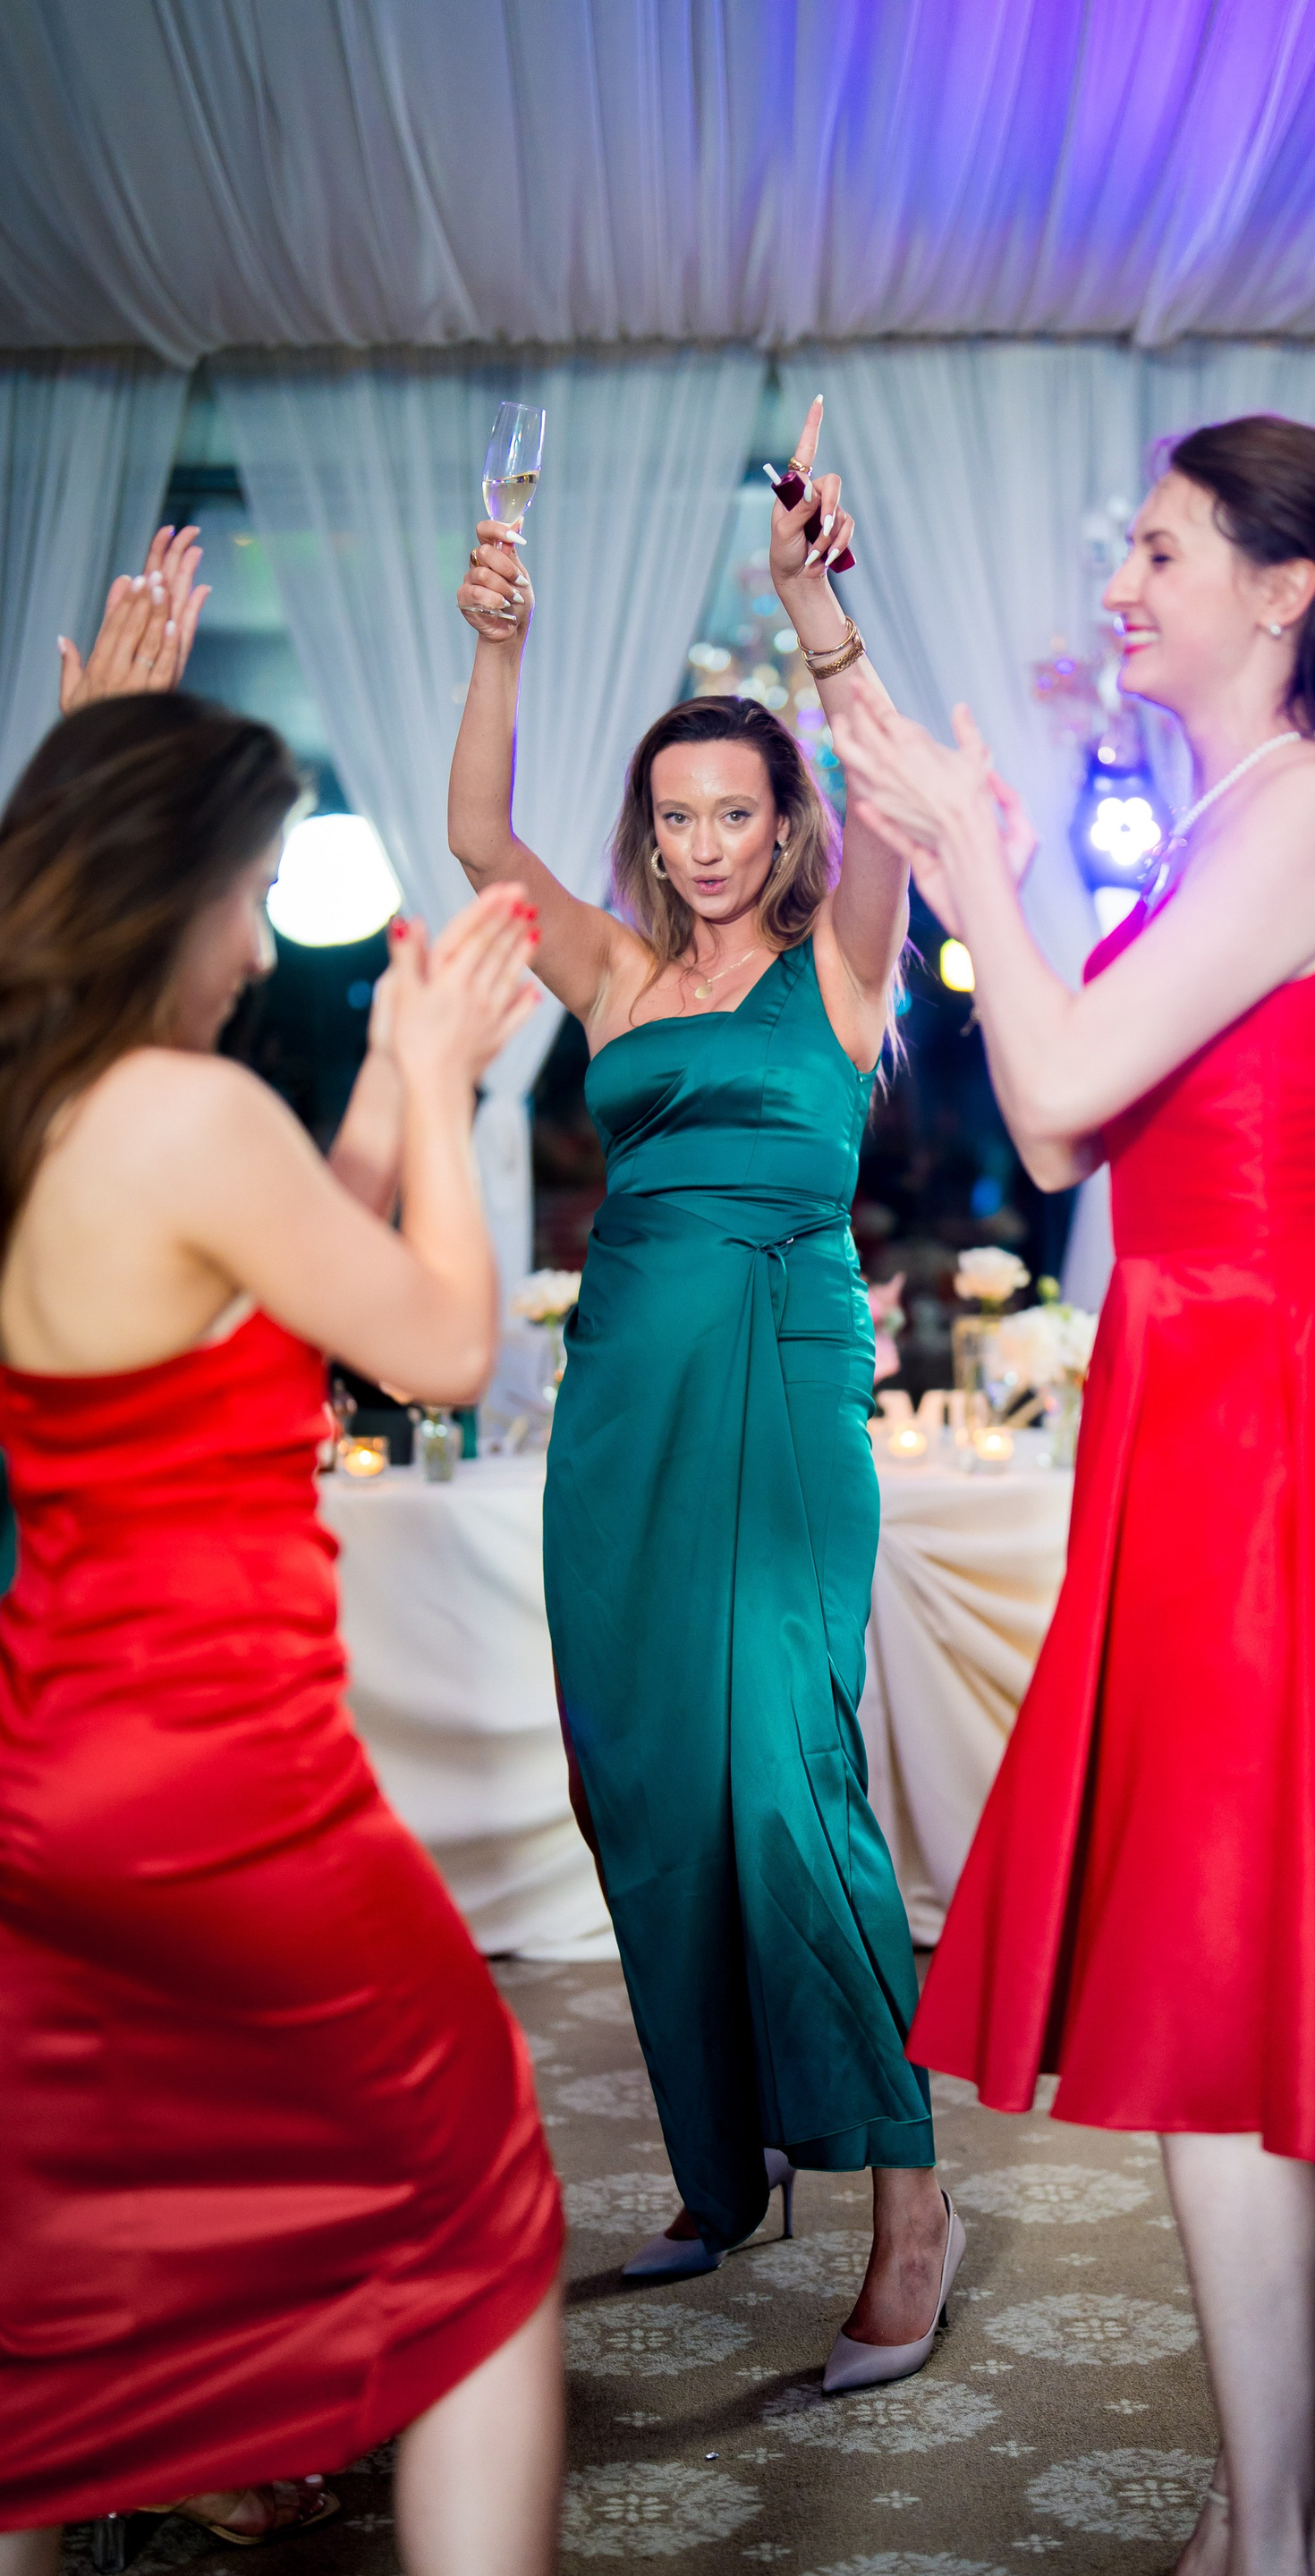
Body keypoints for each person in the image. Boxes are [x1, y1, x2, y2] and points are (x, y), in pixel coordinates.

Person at [834, 415, 1315, 2576]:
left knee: (1239, 1962)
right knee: (1264, 1957)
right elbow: (1069, 1135)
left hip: (1269, 1411)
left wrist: (979, 871)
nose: (1119, 586)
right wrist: (941, 814)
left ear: (1281, 589)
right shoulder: (1245, 809)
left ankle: (1265, 2540)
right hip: (1233, 1390)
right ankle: (1283, 2504)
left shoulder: (1310, 805)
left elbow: (1056, 1081)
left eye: (1159, 551)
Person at [0, 695, 565, 2575]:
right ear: (167, 890)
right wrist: (443, 1080)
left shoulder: (43, 1121)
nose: (256, 949)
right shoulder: (187, 1112)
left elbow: (280, 1274)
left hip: (51, 1789)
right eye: (247, 896)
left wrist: (394, 1087)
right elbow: (444, 1345)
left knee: (60, 2275)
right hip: (229, 1779)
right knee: (485, 2218)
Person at [447, 399, 958, 2394]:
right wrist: (499, 646)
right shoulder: (609, 973)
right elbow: (480, 842)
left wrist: (817, 615)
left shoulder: (842, 963)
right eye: (675, 818)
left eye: (732, 813)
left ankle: (908, 2198)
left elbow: (891, 785)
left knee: (782, 1779)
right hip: (622, 1413)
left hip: (782, 1380)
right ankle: (725, 2172)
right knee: (644, 1787)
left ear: (783, 824)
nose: (702, 843)